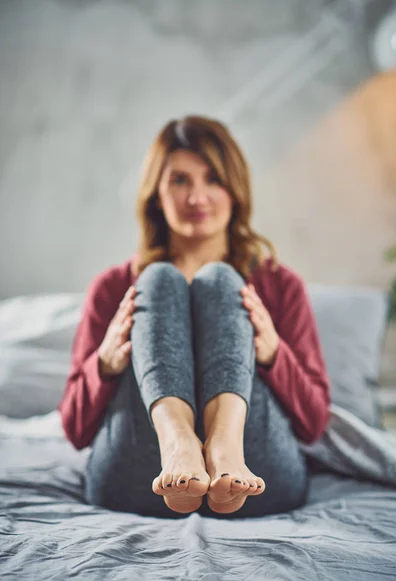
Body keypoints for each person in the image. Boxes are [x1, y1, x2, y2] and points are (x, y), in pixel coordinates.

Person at [58, 115, 331, 520]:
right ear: (156, 194)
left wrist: (274, 354)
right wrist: (104, 364)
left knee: (221, 280)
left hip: (256, 476)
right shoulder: (114, 287)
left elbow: (314, 425)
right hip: (139, 476)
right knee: (160, 279)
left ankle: (224, 450)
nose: (197, 197)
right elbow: (76, 431)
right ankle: (178, 444)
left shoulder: (279, 284)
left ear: (234, 189)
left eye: (213, 179)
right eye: (180, 180)